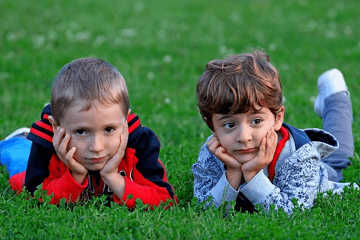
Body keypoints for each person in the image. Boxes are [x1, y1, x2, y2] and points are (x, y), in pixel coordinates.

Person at [192, 50, 358, 214]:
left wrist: (252, 173)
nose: (243, 137)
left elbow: (291, 212)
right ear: (212, 126)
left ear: (278, 118)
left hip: (318, 174)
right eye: (229, 125)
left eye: (256, 121)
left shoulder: (300, 156)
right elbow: (205, 208)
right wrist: (233, 173)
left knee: (339, 162)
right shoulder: (212, 152)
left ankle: (335, 95)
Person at [8, 58, 176, 209]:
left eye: (109, 129)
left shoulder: (140, 143)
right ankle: (18, 141)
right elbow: (34, 197)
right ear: (56, 127)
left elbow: (166, 200)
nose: (97, 147)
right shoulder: (46, 143)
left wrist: (113, 177)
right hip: (29, 159)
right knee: (19, 168)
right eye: (81, 131)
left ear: (125, 122)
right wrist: (75, 175)